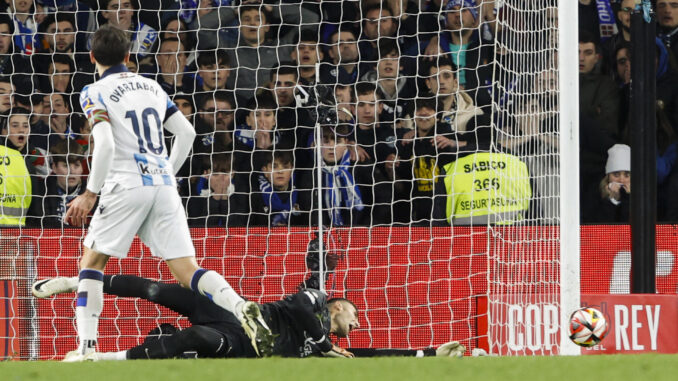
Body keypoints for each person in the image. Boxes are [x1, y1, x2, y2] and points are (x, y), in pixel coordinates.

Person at [61, 24, 273, 362]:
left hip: (125, 183)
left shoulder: (93, 91)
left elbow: (104, 144)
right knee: (187, 271)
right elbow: (186, 133)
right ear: (128, 56)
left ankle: (86, 348)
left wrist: (89, 193)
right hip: (162, 184)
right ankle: (240, 305)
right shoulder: (151, 86)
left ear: (91, 57)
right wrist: (166, 173)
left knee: (92, 262)